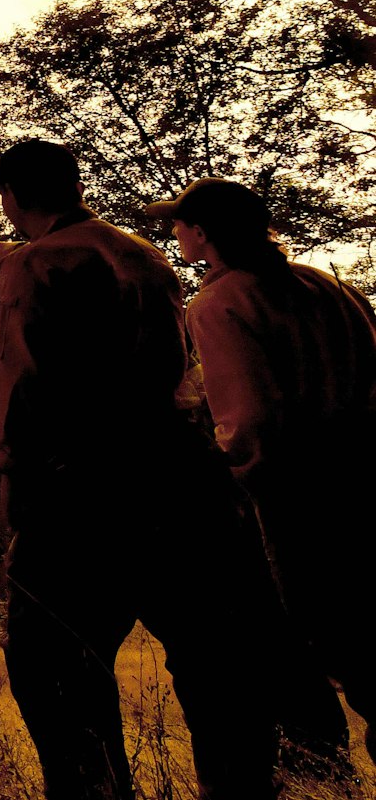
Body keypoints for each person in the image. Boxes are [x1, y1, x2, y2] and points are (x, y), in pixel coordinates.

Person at [0, 141, 280, 800]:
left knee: (52, 663)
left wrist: (4, 460)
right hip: (176, 476)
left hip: (79, 490)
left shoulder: (32, 268)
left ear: (9, 194)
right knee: (209, 662)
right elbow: (88, 282)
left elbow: (24, 378)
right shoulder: (145, 256)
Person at [146, 177, 376, 764]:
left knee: (332, 639)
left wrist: (236, 477)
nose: (174, 232)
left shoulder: (220, 303)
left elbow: (246, 419)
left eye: (180, 223)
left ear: (201, 234)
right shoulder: (330, 287)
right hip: (364, 480)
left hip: (298, 497)